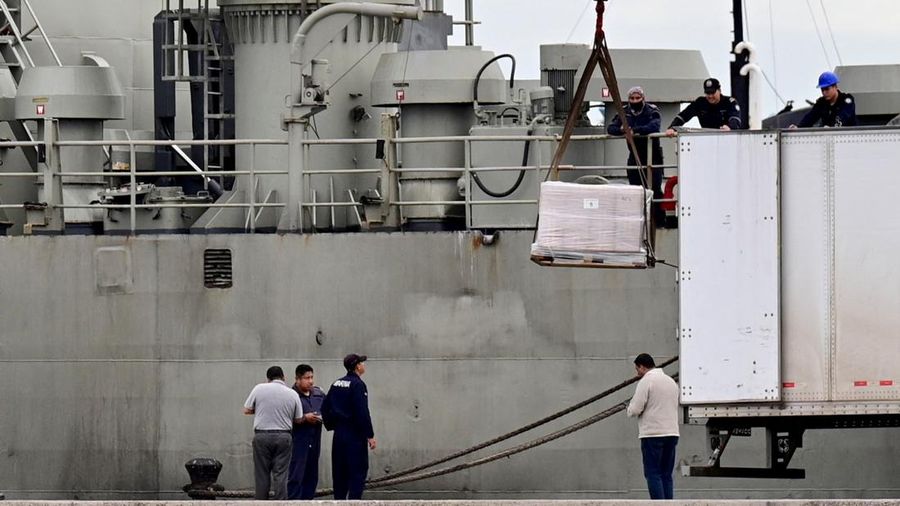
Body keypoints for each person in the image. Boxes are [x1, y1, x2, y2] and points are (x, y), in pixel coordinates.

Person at [243, 366, 304, 500]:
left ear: (268, 378)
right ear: (283, 377)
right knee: (281, 474)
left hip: (262, 436)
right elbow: (299, 419)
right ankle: (281, 502)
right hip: (284, 436)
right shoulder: (292, 393)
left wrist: (261, 410)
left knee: (262, 474)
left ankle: (261, 502)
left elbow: (246, 410)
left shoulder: (259, 388)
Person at [607, 86, 665, 225]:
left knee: (655, 190)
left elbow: (654, 126)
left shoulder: (652, 110)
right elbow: (611, 128)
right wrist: (622, 130)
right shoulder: (624, 112)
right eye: (632, 98)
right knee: (635, 190)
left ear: (643, 98)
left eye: (637, 98)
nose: (635, 101)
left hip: (653, 156)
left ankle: (659, 222)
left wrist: (634, 130)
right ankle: (637, 221)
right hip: (634, 155)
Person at [321, 353, 376, 501]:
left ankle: (339, 501)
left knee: (339, 473)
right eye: (362, 363)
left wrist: (332, 425)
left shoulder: (336, 383)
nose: (364, 365)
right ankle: (353, 503)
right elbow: (362, 412)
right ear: (357, 366)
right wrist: (369, 435)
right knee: (357, 472)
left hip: (339, 435)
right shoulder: (358, 385)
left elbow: (325, 408)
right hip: (355, 435)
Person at [626, 353, 680, 500]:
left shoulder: (646, 381)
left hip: (653, 434)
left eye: (637, 369)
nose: (637, 373)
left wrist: (628, 408)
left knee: (653, 473)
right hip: (672, 433)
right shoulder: (671, 382)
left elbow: (635, 409)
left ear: (642, 367)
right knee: (666, 474)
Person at [288, 364, 326, 500]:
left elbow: (328, 410)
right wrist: (305, 418)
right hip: (298, 442)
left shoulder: (318, 394)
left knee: (312, 476)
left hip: (315, 441)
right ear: (297, 379)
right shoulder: (291, 396)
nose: (310, 381)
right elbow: (286, 418)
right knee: (296, 476)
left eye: (312, 377)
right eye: (306, 378)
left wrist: (323, 417)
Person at [665, 78, 742, 136]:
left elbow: (735, 118)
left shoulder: (729, 102)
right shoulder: (700, 103)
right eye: (708, 93)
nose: (710, 96)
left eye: (712, 93)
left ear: (719, 90)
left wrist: (730, 127)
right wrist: (672, 128)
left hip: (726, 139)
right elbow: (683, 116)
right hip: (706, 140)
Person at [794, 71, 858, 128]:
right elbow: (811, 117)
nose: (824, 92)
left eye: (827, 89)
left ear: (835, 87)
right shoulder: (821, 103)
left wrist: (832, 128)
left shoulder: (847, 100)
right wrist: (798, 127)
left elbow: (843, 116)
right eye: (822, 90)